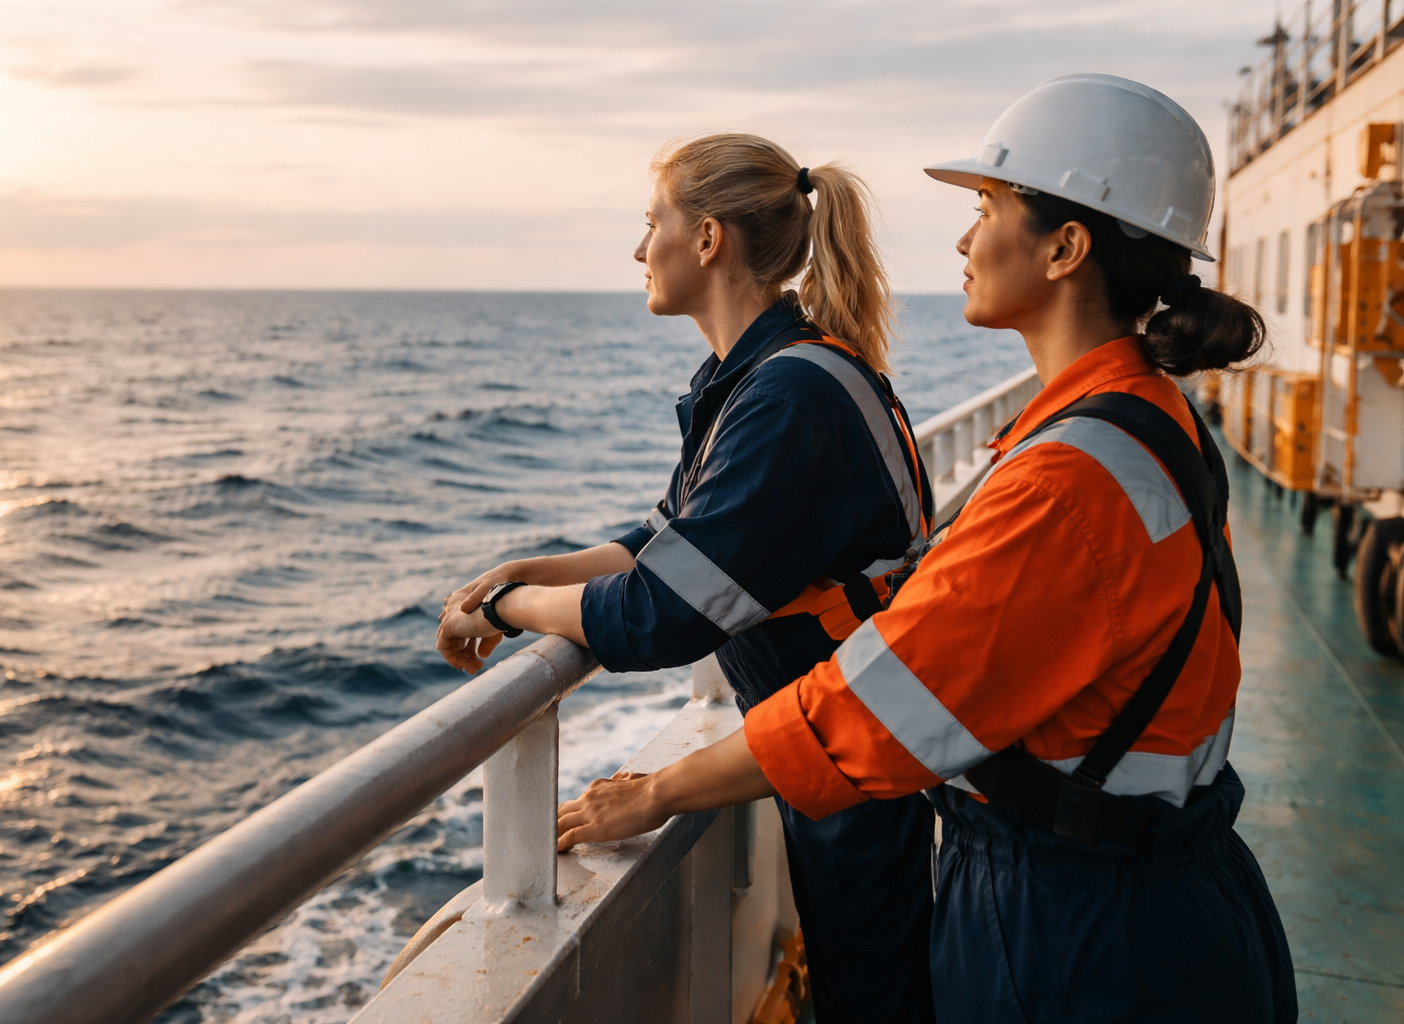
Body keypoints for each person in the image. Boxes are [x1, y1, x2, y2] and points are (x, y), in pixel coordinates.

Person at [554, 75, 1300, 1023]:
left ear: (1066, 248)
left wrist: (657, 790)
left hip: (1090, 935)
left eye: (988, 206)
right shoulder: (1147, 424)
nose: (963, 238)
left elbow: (872, 711)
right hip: (1167, 886)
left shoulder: (1065, 482)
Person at [437, 133, 937, 1022]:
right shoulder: (761, 378)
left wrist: (513, 609)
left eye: (651, 224)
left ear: (708, 240)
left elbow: (656, 616)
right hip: (839, 747)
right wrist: (520, 573)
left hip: (871, 775)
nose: (639, 250)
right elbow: (664, 543)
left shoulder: (788, 399)